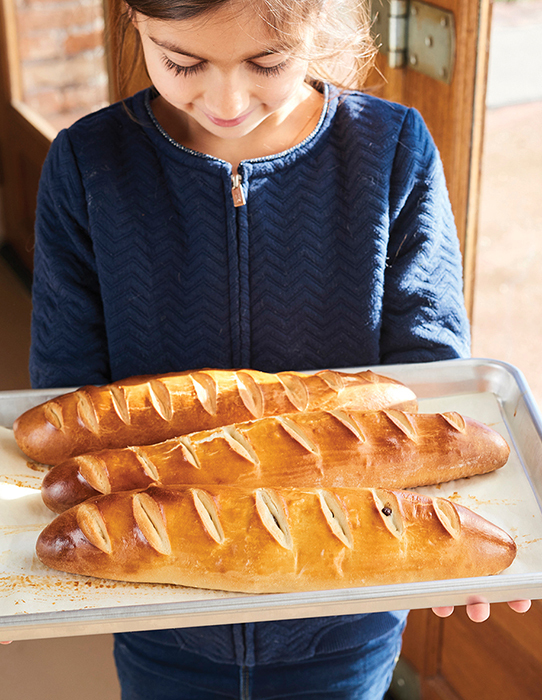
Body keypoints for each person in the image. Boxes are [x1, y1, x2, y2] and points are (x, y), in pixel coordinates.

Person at [24, 0, 530, 697]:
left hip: (345, 622)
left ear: (320, 24)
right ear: (135, 21)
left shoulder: (392, 151)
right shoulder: (86, 164)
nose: (227, 100)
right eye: (183, 62)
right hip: (159, 618)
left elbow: (434, 395)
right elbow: (64, 402)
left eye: (267, 62)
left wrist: (462, 534)